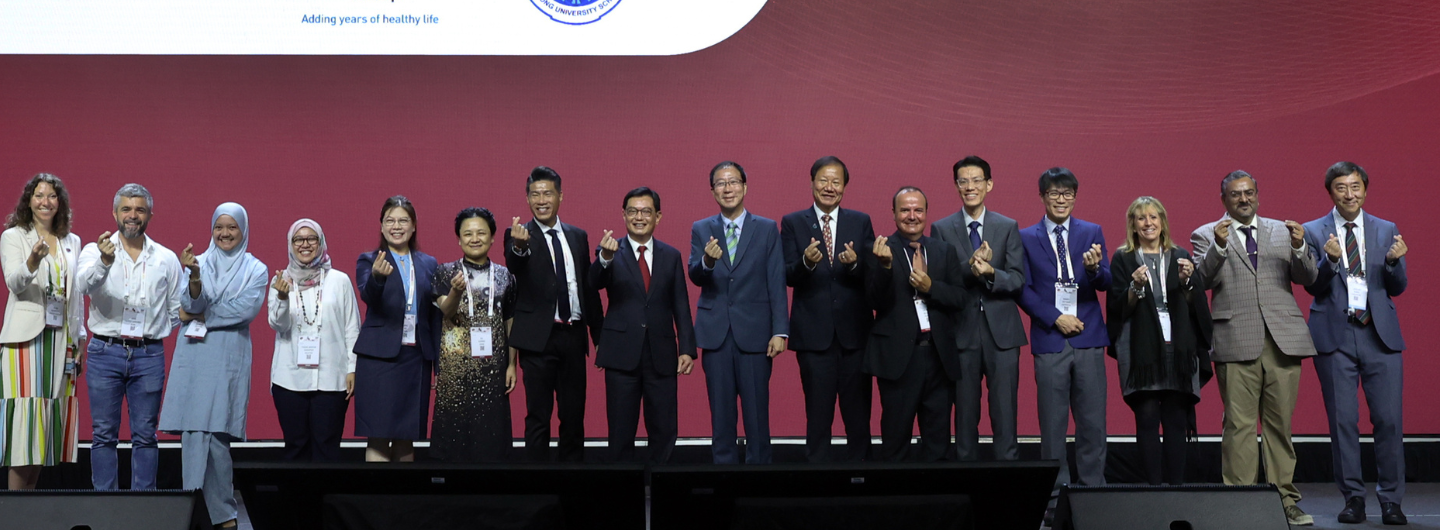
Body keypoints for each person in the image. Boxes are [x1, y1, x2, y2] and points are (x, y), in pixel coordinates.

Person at [1191, 170, 1319, 526]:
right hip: (1235, 338)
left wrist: (1300, 247)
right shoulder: (1207, 233)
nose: (1243, 199)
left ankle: (1285, 501)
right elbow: (1200, 281)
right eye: (1235, 194)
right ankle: (1240, 503)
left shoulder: (1283, 230)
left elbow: (1308, 278)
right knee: (1239, 425)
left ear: (1258, 195)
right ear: (1224, 200)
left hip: (1283, 339)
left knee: (1280, 425)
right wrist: (1218, 247)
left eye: (1249, 193)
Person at [1302, 162, 1409, 525]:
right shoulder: (1313, 230)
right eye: (1341, 188)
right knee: (1343, 422)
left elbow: (1397, 287)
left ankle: (1391, 500)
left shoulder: (1385, 228)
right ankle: (1353, 499)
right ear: (1330, 192)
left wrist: (1393, 263)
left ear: (1365, 189)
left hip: (1380, 335)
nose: (1349, 194)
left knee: (1389, 421)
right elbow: (1312, 285)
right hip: (1335, 335)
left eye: (1355, 187)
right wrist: (1330, 261)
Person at [158, 202, 267, 528]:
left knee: (216, 438)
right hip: (194, 356)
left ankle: (221, 515)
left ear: (243, 230)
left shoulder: (256, 269)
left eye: (232, 227)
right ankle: (197, 513)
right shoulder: (198, 263)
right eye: (219, 227)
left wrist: (197, 314)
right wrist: (194, 277)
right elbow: (187, 303)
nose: (225, 233)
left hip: (226, 359)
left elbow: (243, 311)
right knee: (193, 434)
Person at [1015, 168, 1110, 522]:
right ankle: (1054, 502)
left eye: (1067, 193)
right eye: (1054, 193)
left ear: (1075, 196)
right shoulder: (1026, 237)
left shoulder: (1091, 231)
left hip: (1088, 336)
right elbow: (1023, 289)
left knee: (1092, 424)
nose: (1061, 199)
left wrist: (1096, 270)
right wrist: (1056, 318)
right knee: (1053, 427)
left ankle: (1093, 496)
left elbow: (1106, 281)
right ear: (1042, 196)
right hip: (1050, 338)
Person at [77, 183, 184, 490]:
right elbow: (82, 286)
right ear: (115, 213)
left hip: (149, 355)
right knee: (103, 434)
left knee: (146, 435)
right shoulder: (94, 251)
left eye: (139, 209)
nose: (132, 215)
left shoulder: (166, 258)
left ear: (150, 214)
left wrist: (152, 331)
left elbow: (175, 309)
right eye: (126, 209)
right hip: (105, 352)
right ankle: (105, 505)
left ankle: (144, 507)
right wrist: (104, 262)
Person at [1106, 197, 1213, 486]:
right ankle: (1153, 488)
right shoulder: (1123, 258)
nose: (1148, 223)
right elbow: (1117, 307)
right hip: (1141, 348)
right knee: (1147, 416)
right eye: (1141, 218)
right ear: (1133, 225)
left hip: (1178, 346)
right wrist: (1135, 287)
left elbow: (1196, 305)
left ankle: (1176, 488)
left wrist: (1188, 282)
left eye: (1153, 217)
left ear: (1163, 222)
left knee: (1176, 418)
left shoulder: (1180, 255)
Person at [689, 161, 788, 464]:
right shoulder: (701, 228)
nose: (727, 188)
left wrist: (780, 331)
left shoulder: (767, 228)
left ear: (745, 187)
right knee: (721, 416)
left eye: (733, 182)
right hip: (716, 334)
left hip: (756, 334)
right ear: (713, 191)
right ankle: (724, 477)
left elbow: (776, 280)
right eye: (721, 183)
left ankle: (758, 479)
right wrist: (707, 261)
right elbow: (695, 274)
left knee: (757, 416)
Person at [929, 155, 1026, 462]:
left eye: (976, 181)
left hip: (1003, 335)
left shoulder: (1007, 226)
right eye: (963, 181)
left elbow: (1018, 279)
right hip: (961, 333)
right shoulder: (941, 228)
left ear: (989, 184)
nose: (970, 187)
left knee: (1005, 413)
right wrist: (971, 267)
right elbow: (939, 282)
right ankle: (967, 480)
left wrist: (991, 272)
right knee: (965, 414)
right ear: (956, 186)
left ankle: (1007, 476)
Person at [503, 166, 602, 463]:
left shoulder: (578, 236)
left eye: (547, 193)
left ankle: (572, 481)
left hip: (573, 336)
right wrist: (519, 247)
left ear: (560, 196)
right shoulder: (518, 235)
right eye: (535, 195)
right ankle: (538, 483)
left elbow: (588, 288)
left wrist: (599, 336)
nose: (541, 200)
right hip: (538, 341)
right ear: (527, 198)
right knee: (538, 416)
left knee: (573, 416)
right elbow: (514, 265)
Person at [780, 156, 875, 462]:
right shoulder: (793, 222)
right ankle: (817, 481)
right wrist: (806, 262)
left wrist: (856, 264)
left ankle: (862, 478)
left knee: (858, 419)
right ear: (812, 183)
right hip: (814, 338)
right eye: (823, 180)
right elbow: (786, 274)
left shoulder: (860, 222)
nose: (829, 187)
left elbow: (874, 276)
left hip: (855, 337)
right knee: (818, 419)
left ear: (845, 187)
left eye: (836, 181)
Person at [592, 187, 696, 464]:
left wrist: (687, 348)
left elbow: (681, 305)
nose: (639, 217)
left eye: (646, 211)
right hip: (621, 354)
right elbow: (593, 283)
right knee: (620, 430)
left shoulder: (671, 255)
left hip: (661, 354)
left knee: (664, 429)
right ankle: (624, 486)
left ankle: (659, 482)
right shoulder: (609, 251)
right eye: (633, 211)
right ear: (623, 215)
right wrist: (604, 258)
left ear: (657, 217)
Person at [864, 187, 965, 462]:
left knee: (938, 443)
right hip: (898, 360)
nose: (912, 216)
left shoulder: (944, 250)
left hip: (938, 358)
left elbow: (960, 298)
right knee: (895, 443)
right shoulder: (879, 249)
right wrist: (885, 267)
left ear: (926, 213)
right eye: (905, 210)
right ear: (893, 214)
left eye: (918, 210)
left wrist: (932, 288)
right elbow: (874, 300)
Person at [0, 173, 85, 489]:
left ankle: (28, 506)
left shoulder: (71, 241)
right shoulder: (14, 236)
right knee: (25, 428)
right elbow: (14, 283)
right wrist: (32, 261)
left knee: (45, 426)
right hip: (25, 343)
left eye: (51, 196)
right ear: (29, 200)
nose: (45, 202)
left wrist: (80, 339)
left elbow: (76, 294)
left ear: (59, 202)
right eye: (39, 195)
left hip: (60, 340)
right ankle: (14, 509)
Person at [353, 195, 440, 462]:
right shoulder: (369, 260)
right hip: (378, 359)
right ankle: (378, 491)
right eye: (390, 221)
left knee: (407, 435)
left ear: (413, 226)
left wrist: (438, 365)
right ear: (381, 226)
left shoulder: (429, 263)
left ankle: (402, 491)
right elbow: (368, 296)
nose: (396, 226)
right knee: (378, 434)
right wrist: (378, 277)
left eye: (403, 221)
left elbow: (434, 317)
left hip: (416, 358)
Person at [268, 219, 359, 462]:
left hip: (331, 379)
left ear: (321, 243)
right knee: (295, 448)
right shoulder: (281, 281)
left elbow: (352, 328)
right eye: (298, 239)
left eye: (311, 239)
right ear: (290, 244)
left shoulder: (339, 280)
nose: (305, 244)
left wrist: (352, 368)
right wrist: (282, 297)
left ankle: (325, 490)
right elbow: (278, 325)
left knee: (327, 449)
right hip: (289, 379)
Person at [432, 207, 518, 462]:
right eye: (467, 234)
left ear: (492, 237)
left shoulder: (505, 275)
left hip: (493, 367)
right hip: (455, 368)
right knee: (453, 434)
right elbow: (446, 311)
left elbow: (510, 321)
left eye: (481, 233)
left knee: (491, 434)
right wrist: (456, 292)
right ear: (459, 239)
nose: (475, 238)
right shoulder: (445, 272)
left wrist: (512, 364)